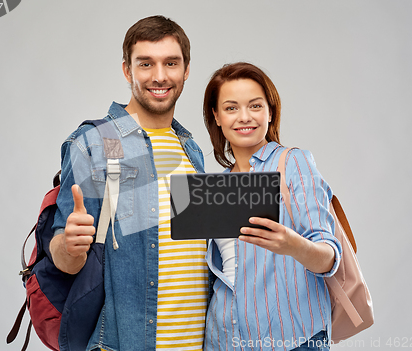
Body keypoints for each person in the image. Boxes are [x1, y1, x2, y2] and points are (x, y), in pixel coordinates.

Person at [50, 16, 209, 351]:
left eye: (171, 63)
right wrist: (69, 244)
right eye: (146, 63)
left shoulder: (191, 149)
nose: (160, 75)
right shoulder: (97, 142)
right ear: (127, 71)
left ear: (186, 69)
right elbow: (64, 256)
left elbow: (192, 251)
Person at [202, 62, 343, 351]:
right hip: (224, 340)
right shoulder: (215, 185)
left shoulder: (293, 163)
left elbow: (330, 258)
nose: (244, 117)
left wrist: (293, 245)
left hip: (291, 341)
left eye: (255, 106)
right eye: (231, 108)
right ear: (216, 116)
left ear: (270, 111)